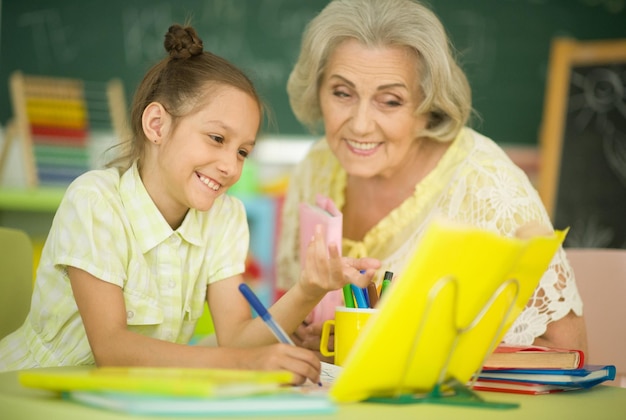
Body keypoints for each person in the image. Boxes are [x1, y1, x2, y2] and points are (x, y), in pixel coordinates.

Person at [0, 23, 380, 383]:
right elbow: (112, 350)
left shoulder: (225, 216)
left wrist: (309, 289)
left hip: (128, 401)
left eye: (243, 151)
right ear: (157, 125)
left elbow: (235, 338)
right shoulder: (95, 201)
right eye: (217, 138)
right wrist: (244, 364)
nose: (231, 166)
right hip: (26, 392)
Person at [276, 0, 588, 360]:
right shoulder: (315, 168)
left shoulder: (488, 186)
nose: (360, 124)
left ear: (429, 108)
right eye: (342, 93)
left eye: (390, 101)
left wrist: (398, 349)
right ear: (318, 91)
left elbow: (568, 354)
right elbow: (289, 313)